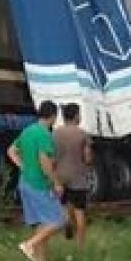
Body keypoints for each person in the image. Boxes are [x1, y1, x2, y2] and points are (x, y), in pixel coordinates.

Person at [6, 101, 64, 261]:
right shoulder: (44, 134)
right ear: (53, 116)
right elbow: (45, 161)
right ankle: (29, 244)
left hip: (25, 182)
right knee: (59, 219)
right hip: (39, 184)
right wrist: (56, 183)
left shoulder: (27, 131)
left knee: (42, 223)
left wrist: (23, 165)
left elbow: (11, 151)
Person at [52, 102, 93, 248]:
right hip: (78, 177)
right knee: (80, 211)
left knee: (64, 205)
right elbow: (87, 158)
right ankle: (80, 246)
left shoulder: (55, 133)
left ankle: (67, 221)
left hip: (60, 176)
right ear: (76, 115)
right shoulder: (82, 134)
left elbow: (52, 156)